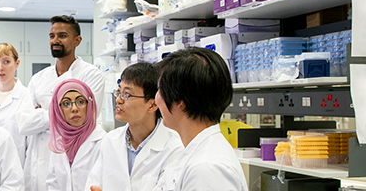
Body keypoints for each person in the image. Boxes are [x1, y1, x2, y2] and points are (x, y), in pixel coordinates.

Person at [17, 15, 104, 191]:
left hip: (72, 161)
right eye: (52, 36)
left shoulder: (92, 75)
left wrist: (41, 113)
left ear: (77, 40)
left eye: (62, 36)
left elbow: (83, 119)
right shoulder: (39, 78)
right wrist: (57, 114)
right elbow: (24, 124)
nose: (55, 40)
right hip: (37, 164)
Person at [152, 47, 248, 191]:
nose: (156, 99)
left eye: (160, 90)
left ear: (180, 101)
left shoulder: (207, 168)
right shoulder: (195, 152)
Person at [84, 63, 183, 191]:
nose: (119, 100)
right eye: (118, 92)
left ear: (153, 105)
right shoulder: (110, 140)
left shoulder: (174, 149)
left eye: (127, 95)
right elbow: (92, 186)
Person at [46, 79, 106, 191]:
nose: (74, 109)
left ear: (90, 104)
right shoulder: (59, 144)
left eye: (80, 102)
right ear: (58, 110)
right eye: (66, 103)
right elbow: (52, 184)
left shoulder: (104, 142)